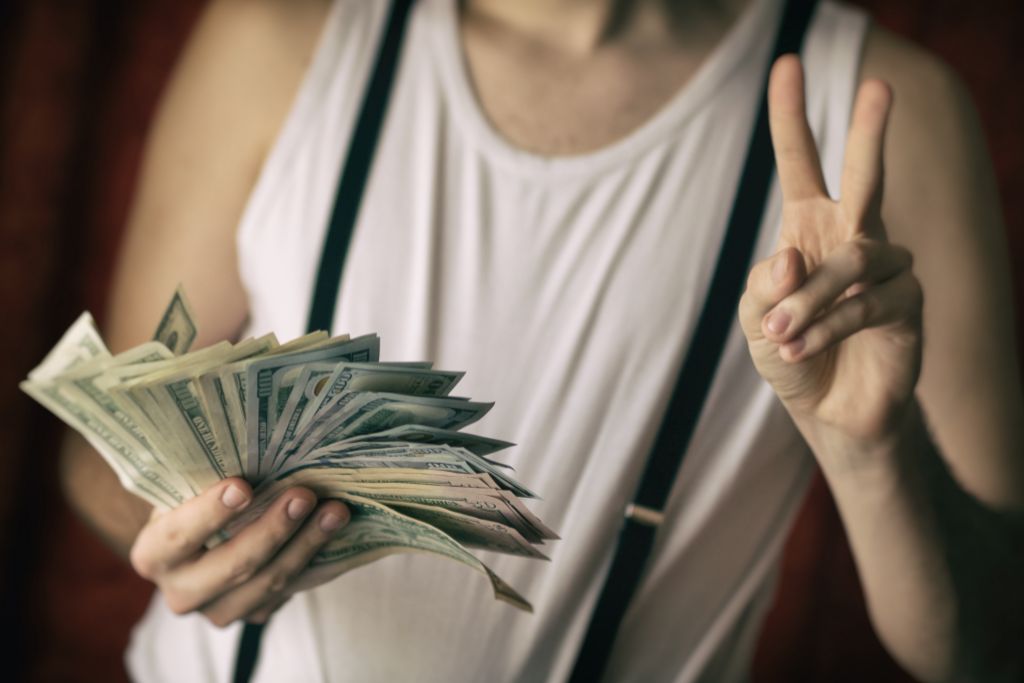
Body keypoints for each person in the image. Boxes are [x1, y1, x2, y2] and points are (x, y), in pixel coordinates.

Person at [58, 0, 1024, 680]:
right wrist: (196, 534)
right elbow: (101, 447)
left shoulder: (889, 112)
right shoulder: (280, 36)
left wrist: (872, 451)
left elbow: (996, 642)